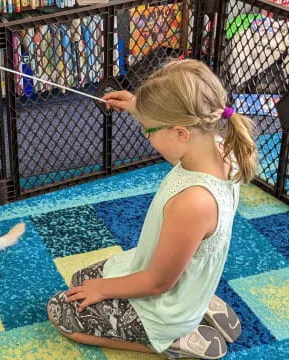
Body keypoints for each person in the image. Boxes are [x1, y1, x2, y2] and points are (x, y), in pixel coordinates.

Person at [47, 59, 258, 359]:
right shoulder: (220, 145)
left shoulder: (193, 201)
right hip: (179, 275)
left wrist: (105, 290)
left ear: (180, 133)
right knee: (79, 280)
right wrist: (138, 107)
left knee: (60, 311)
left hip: (165, 297)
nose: (147, 136)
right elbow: (178, 119)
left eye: (148, 130)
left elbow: (158, 282)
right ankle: (198, 300)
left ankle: (171, 339)